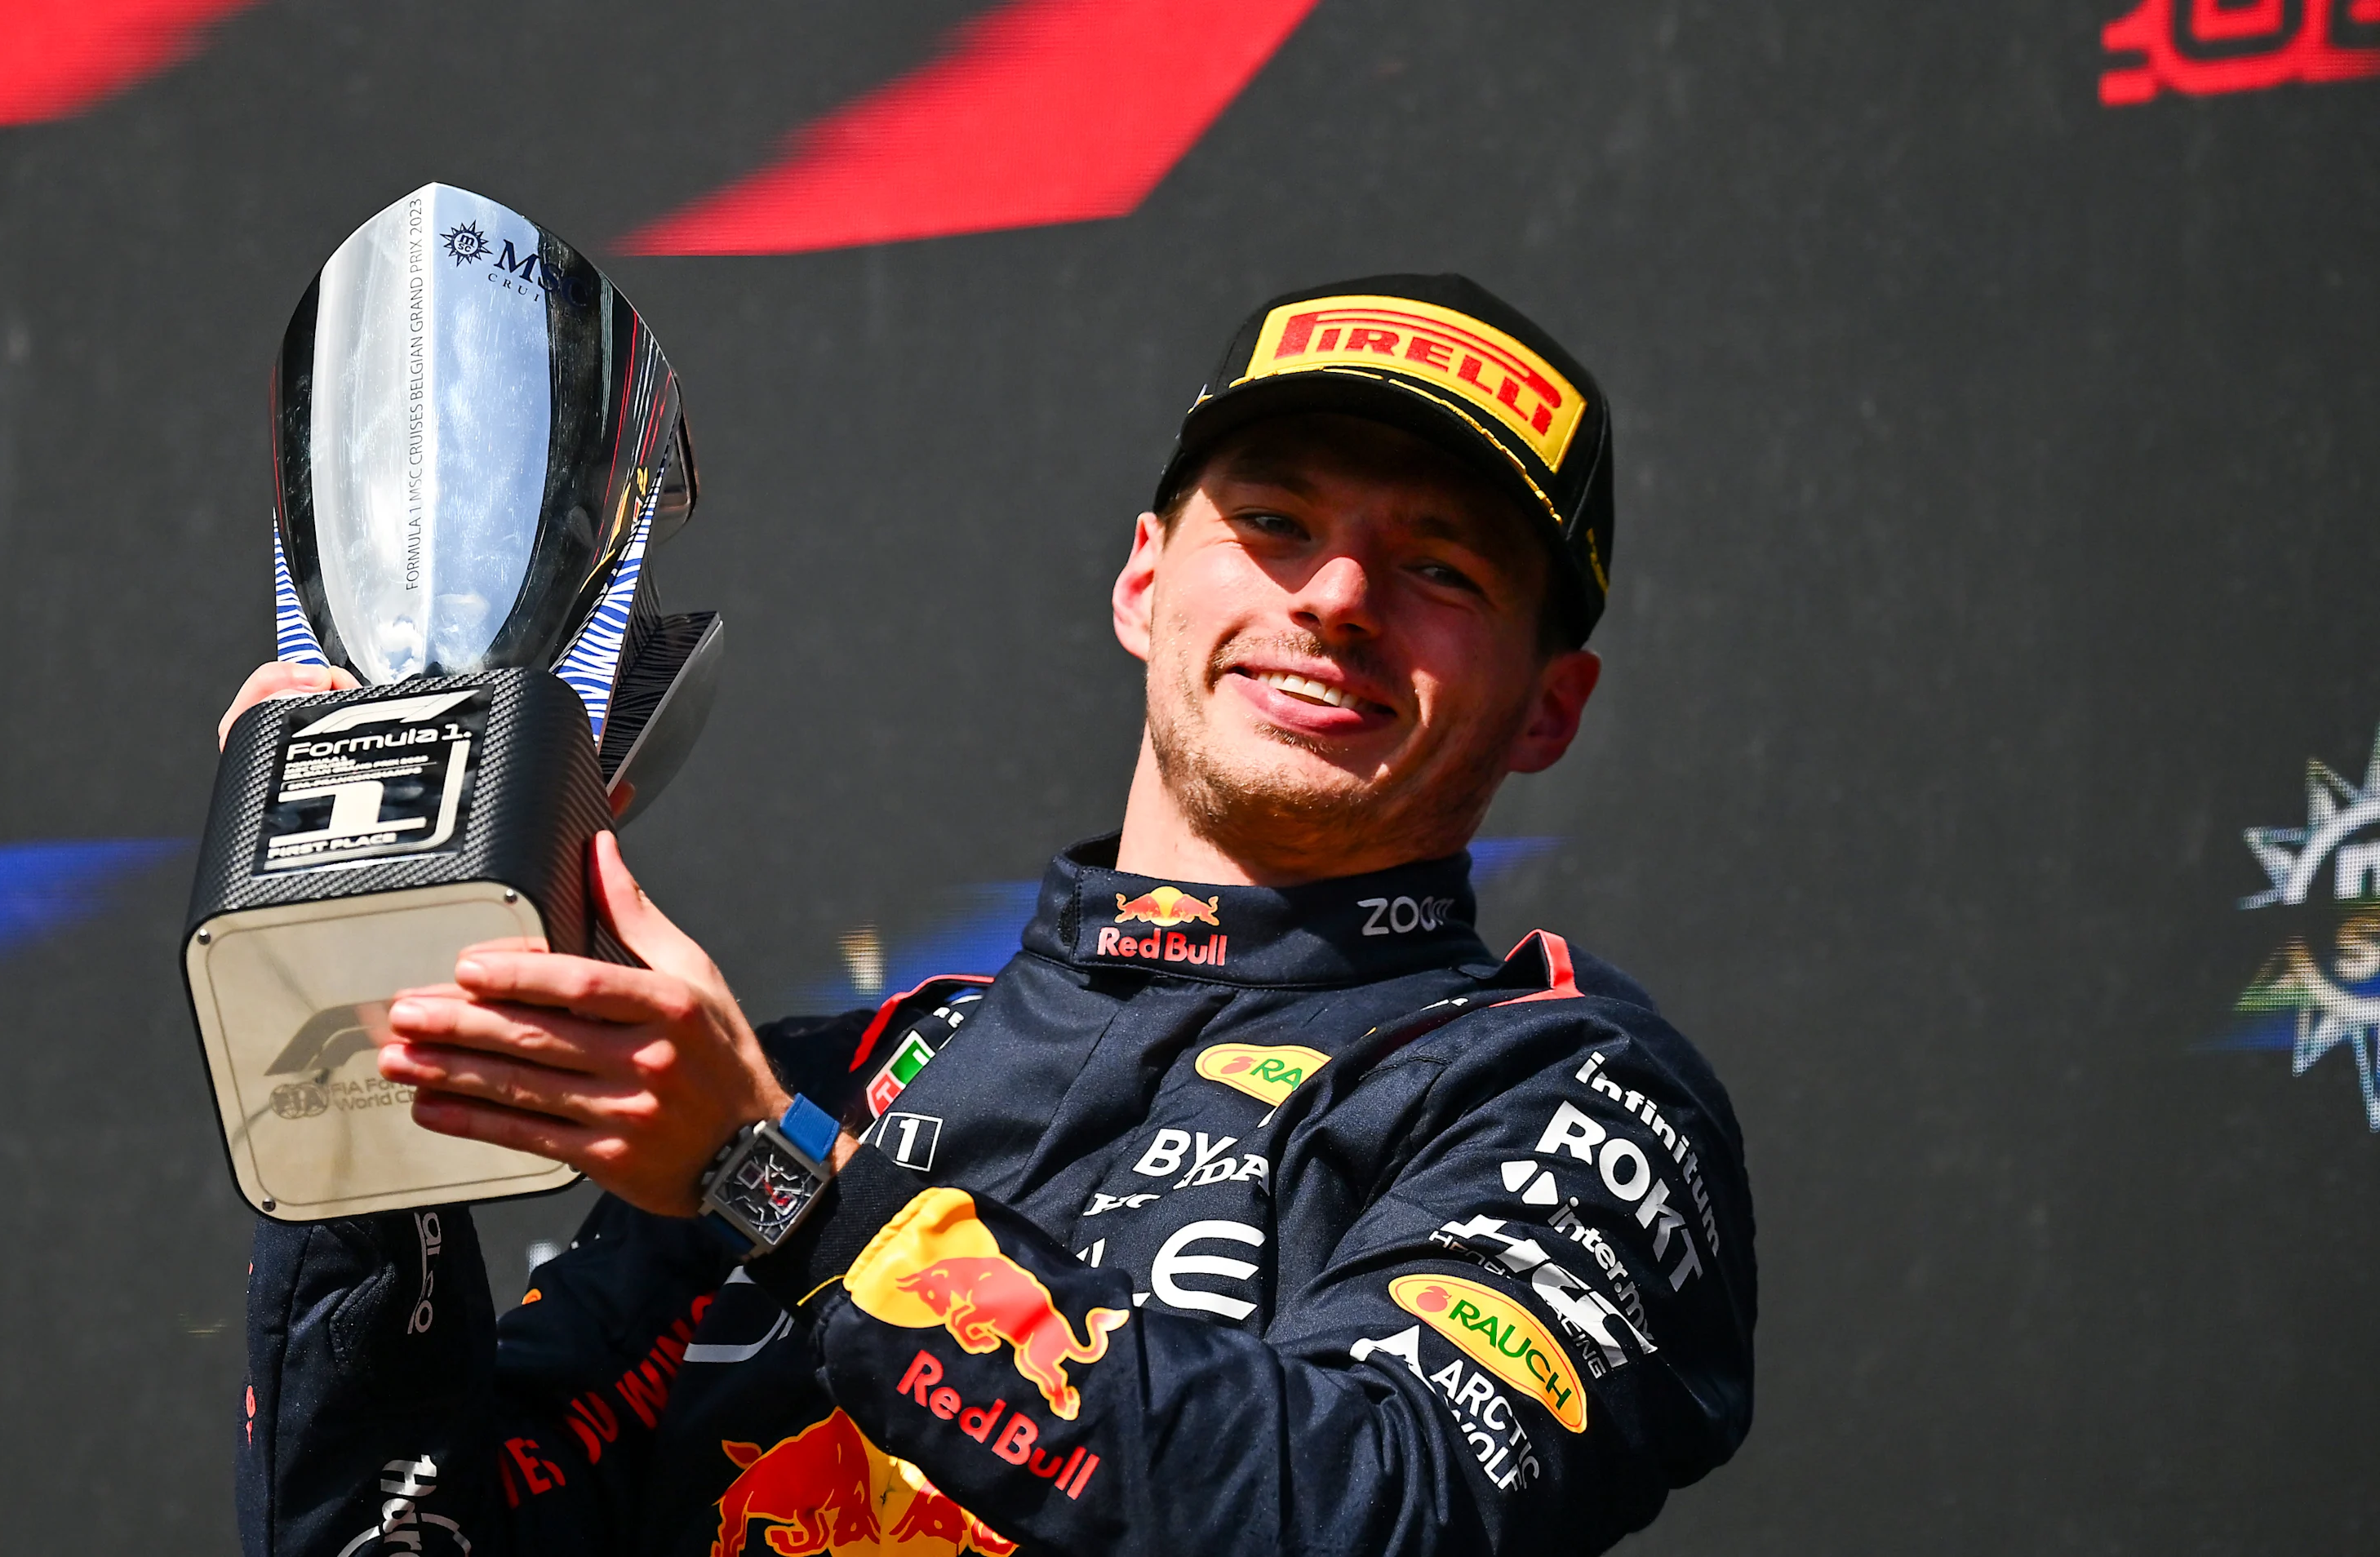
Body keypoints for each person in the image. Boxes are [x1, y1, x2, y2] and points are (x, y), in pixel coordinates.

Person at [230, 275, 1755, 1557]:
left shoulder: (1554, 1089)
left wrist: (776, 1186)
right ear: (1144, 583)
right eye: (1276, 520)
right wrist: (371, 1102)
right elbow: (403, 1538)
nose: (1338, 595)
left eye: (1439, 567)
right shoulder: (826, 1082)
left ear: (1551, 706)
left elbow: (1370, 1509)